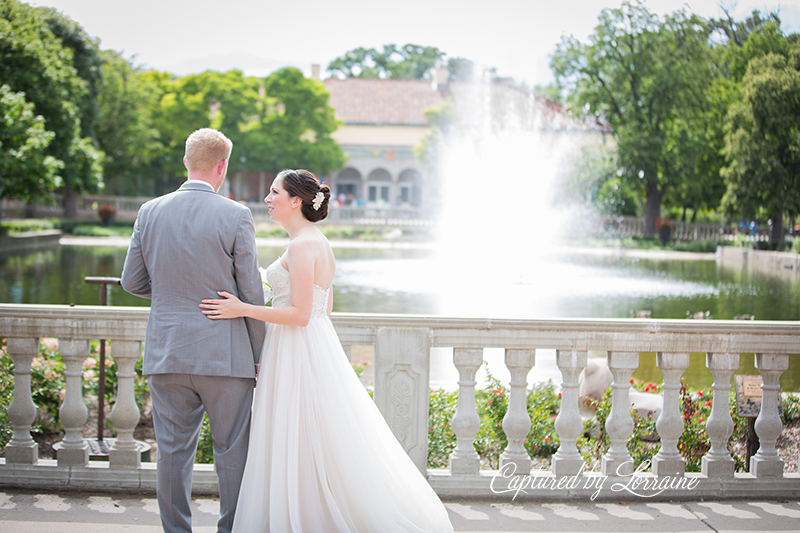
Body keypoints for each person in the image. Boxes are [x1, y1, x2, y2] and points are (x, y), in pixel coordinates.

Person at [200, 169, 454, 533]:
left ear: (295, 201)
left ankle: (303, 516)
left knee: (298, 430)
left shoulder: (302, 245)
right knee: (309, 431)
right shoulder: (318, 241)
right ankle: (306, 510)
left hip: (297, 346)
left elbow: (301, 315)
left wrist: (244, 308)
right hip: (311, 344)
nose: (268, 199)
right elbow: (324, 306)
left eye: (274, 193)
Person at [121, 128, 266, 533]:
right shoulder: (236, 215)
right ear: (223, 166)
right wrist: (260, 356)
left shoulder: (149, 211)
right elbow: (250, 291)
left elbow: (130, 282)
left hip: (167, 352)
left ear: (186, 161)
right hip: (225, 356)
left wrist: (170, 296)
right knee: (232, 453)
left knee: (171, 453)